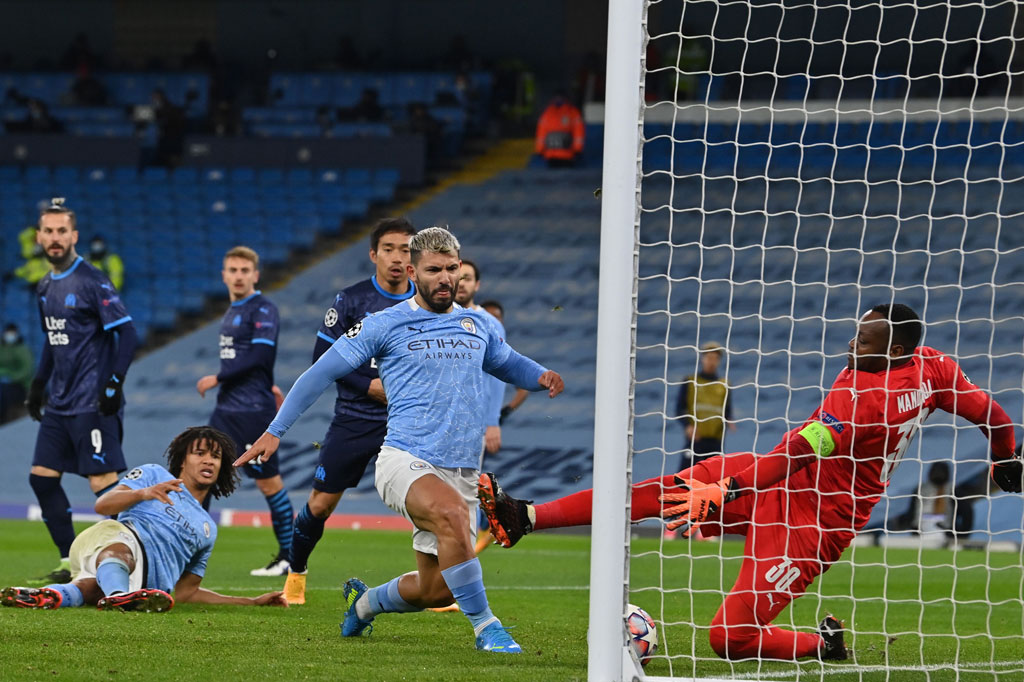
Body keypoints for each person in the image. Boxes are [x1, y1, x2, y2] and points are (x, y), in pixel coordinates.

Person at [479, 303, 1022, 661]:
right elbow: (994, 416)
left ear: (896, 349)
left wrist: (731, 489)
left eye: (866, 338)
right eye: (857, 332)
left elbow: (792, 454)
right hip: (784, 485)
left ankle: (821, 644)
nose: (853, 343)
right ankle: (527, 515)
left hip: (815, 521)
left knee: (728, 639)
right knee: (665, 491)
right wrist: (1005, 460)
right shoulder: (934, 369)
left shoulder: (864, 403)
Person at [236, 226, 564, 654]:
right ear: (413, 271)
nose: (445, 278)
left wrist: (540, 376)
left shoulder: (476, 323)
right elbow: (320, 372)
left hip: (461, 468)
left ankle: (365, 604)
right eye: (434, 270)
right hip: (405, 459)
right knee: (447, 513)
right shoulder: (383, 323)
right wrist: (275, 431)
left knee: (438, 591)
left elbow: (507, 362)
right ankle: (488, 628)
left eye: (452, 269)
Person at [1, 426, 288, 611]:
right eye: (199, 454)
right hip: (116, 546)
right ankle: (118, 597)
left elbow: (188, 593)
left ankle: (45, 596)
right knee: (119, 548)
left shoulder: (208, 528)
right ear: (182, 460)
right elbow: (104, 504)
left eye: (215, 457)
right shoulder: (154, 475)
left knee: (87, 589)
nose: (208, 461)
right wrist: (144, 493)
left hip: (147, 590)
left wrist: (250, 601)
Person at [282, 217, 417, 605]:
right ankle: (296, 571)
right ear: (374, 254)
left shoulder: (424, 302)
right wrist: (367, 385)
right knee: (321, 504)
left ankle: (436, 584)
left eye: (405, 249)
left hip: (408, 421)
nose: (397, 257)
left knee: (428, 506)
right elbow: (321, 360)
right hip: (355, 419)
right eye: (389, 249)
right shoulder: (351, 300)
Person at [25, 198, 139, 586]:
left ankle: (129, 561)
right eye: (48, 232)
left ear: (73, 236)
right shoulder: (44, 286)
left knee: (102, 485)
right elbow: (52, 340)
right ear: (39, 237)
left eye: (62, 231)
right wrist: (38, 385)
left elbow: (127, 331)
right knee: (42, 478)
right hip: (59, 402)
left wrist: (113, 383)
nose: (55, 239)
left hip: (93, 400)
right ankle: (70, 560)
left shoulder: (92, 280)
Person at [196, 246, 293, 577]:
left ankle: (289, 557)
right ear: (224, 275)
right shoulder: (232, 310)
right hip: (226, 411)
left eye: (243, 270)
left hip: (252, 411)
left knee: (269, 484)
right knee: (199, 476)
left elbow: (260, 357)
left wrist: (218, 376)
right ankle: (191, 550)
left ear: (255, 274)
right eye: (232, 270)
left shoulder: (263, 308)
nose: (238, 276)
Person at [676, 342, 735, 469]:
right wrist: (687, 426)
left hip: (715, 442)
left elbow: (726, 409)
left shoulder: (724, 384)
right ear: (703, 359)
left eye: (715, 359)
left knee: (714, 479)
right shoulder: (691, 382)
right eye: (709, 358)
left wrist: (729, 419)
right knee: (684, 477)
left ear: (719, 361)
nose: (712, 362)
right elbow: (679, 409)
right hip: (695, 440)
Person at [478, 300, 530, 424]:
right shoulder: (466, 349)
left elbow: (523, 389)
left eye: (496, 318)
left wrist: (505, 411)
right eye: (488, 317)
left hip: (489, 426)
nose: (492, 321)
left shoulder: (504, 355)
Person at [534, 92, 584, 167]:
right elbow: (541, 133)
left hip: (567, 155)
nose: (558, 100)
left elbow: (578, 132)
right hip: (551, 156)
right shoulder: (547, 113)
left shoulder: (572, 112)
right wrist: (540, 149)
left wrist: (577, 149)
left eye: (560, 98)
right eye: (556, 98)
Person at [0, 322, 34, 422]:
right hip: (3, 382)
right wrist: (3, 373)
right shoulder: (2, 348)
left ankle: (2, 419)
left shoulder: (23, 349)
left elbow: (27, 370)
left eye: (12, 333)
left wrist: (12, 377)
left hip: (20, 385)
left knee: (3, 393)